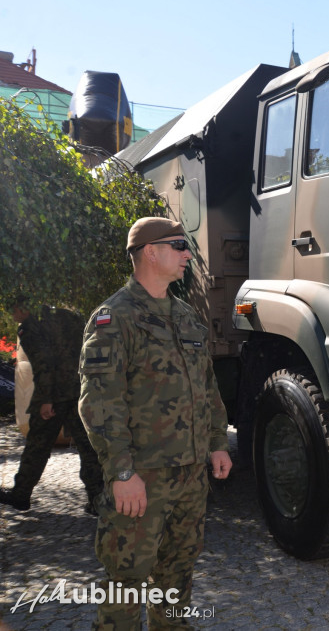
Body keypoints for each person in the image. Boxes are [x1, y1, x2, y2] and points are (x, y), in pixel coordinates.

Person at [79, 217, 232, 626]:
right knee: (126, 580)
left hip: (189, 475)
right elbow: (99, 402)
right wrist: (121, 471)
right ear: (150, 251)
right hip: (141, 476)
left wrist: (218, 441)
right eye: (179, 245)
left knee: (178, 573)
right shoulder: (115, 318)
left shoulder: (186, 317)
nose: (188, 254)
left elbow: (207, 386)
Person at [0, 297, 103, 514]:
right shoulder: (67, 316)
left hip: (55, 396)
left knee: (38, 445)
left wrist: (46, 399)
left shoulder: (30, 328)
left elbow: (43, 364)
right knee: (88, 446)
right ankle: (97, 499)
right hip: (80, 390)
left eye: (14, 313)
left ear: (21, 309)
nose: (14, 317)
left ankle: (21, 495)